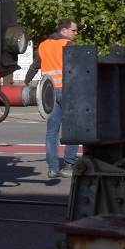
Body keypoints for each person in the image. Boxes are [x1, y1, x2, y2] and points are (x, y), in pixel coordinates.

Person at [25, 18, 79, 179]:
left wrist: (26, 83)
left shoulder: (43, 45)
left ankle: (53, 168)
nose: (76, 33)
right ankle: (69, 164)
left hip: (48, 92)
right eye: (74, 30)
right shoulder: (68, 45)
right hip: (67, 90)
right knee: (72, 128)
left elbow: (35, 66)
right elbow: (78, 68)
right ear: (64, 31)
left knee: (52, 131)